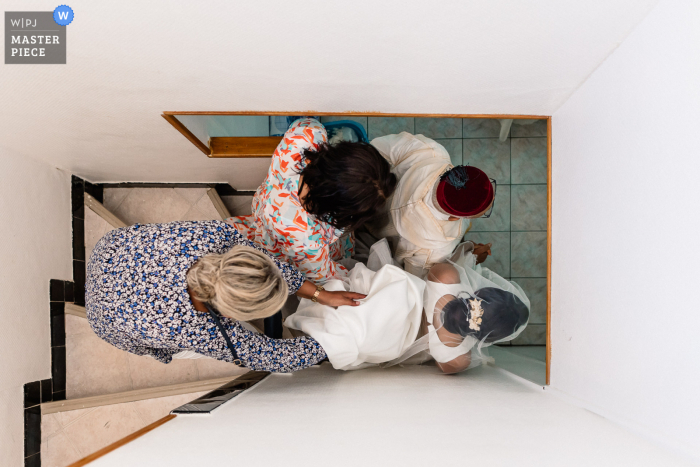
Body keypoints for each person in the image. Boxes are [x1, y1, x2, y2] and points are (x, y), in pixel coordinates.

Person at [85, 220, 364, 372]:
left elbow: (266, 267)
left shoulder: (212, 236)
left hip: (113, 251)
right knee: (193, 350)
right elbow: (268, 356)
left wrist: (320, 294)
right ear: (229, 316)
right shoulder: (196, 331)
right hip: (109, 320)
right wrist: (338, 340)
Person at [285, 240, 529, 374]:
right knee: (361, 339)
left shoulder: (447, 276)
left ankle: (303, 291)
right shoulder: (457, 358)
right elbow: (446, 366)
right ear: (488, 336)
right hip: (387, 339)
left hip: (390, 299)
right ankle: (317, 332)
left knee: (369, 294)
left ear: (484, 291)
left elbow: (437, 269)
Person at [228, 118, 397, 284]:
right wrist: (353, 277)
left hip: (268, 206)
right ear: (335, 210)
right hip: (287, 241)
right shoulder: (306, 238)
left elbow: (305, 123)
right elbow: (322, 275)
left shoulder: (305, 136)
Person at [370, 132, 495, 277]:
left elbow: (372, 149)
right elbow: (413, 280)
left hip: (359, 198)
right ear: (455, 218)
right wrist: (468, 258)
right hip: (375, 237)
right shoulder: (436, 249)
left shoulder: (429, 151)